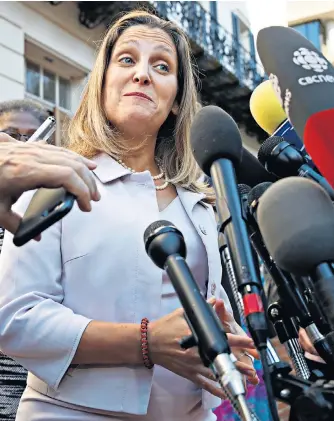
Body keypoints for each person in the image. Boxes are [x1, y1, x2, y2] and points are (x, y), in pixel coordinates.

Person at [0, 10, 259, 421]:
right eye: (126, 60)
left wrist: (230, 339)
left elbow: (205, 305)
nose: (142, 74)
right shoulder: (52, 178)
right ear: (101, 83)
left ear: (176, 101)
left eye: (161, 66)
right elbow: (14, 318)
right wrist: (147, 342)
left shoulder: (202, 202)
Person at [0, 99, 100, 420]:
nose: (24, 148)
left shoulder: (63, 214)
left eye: (34, 138)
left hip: (44, 391)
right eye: (11, 136)